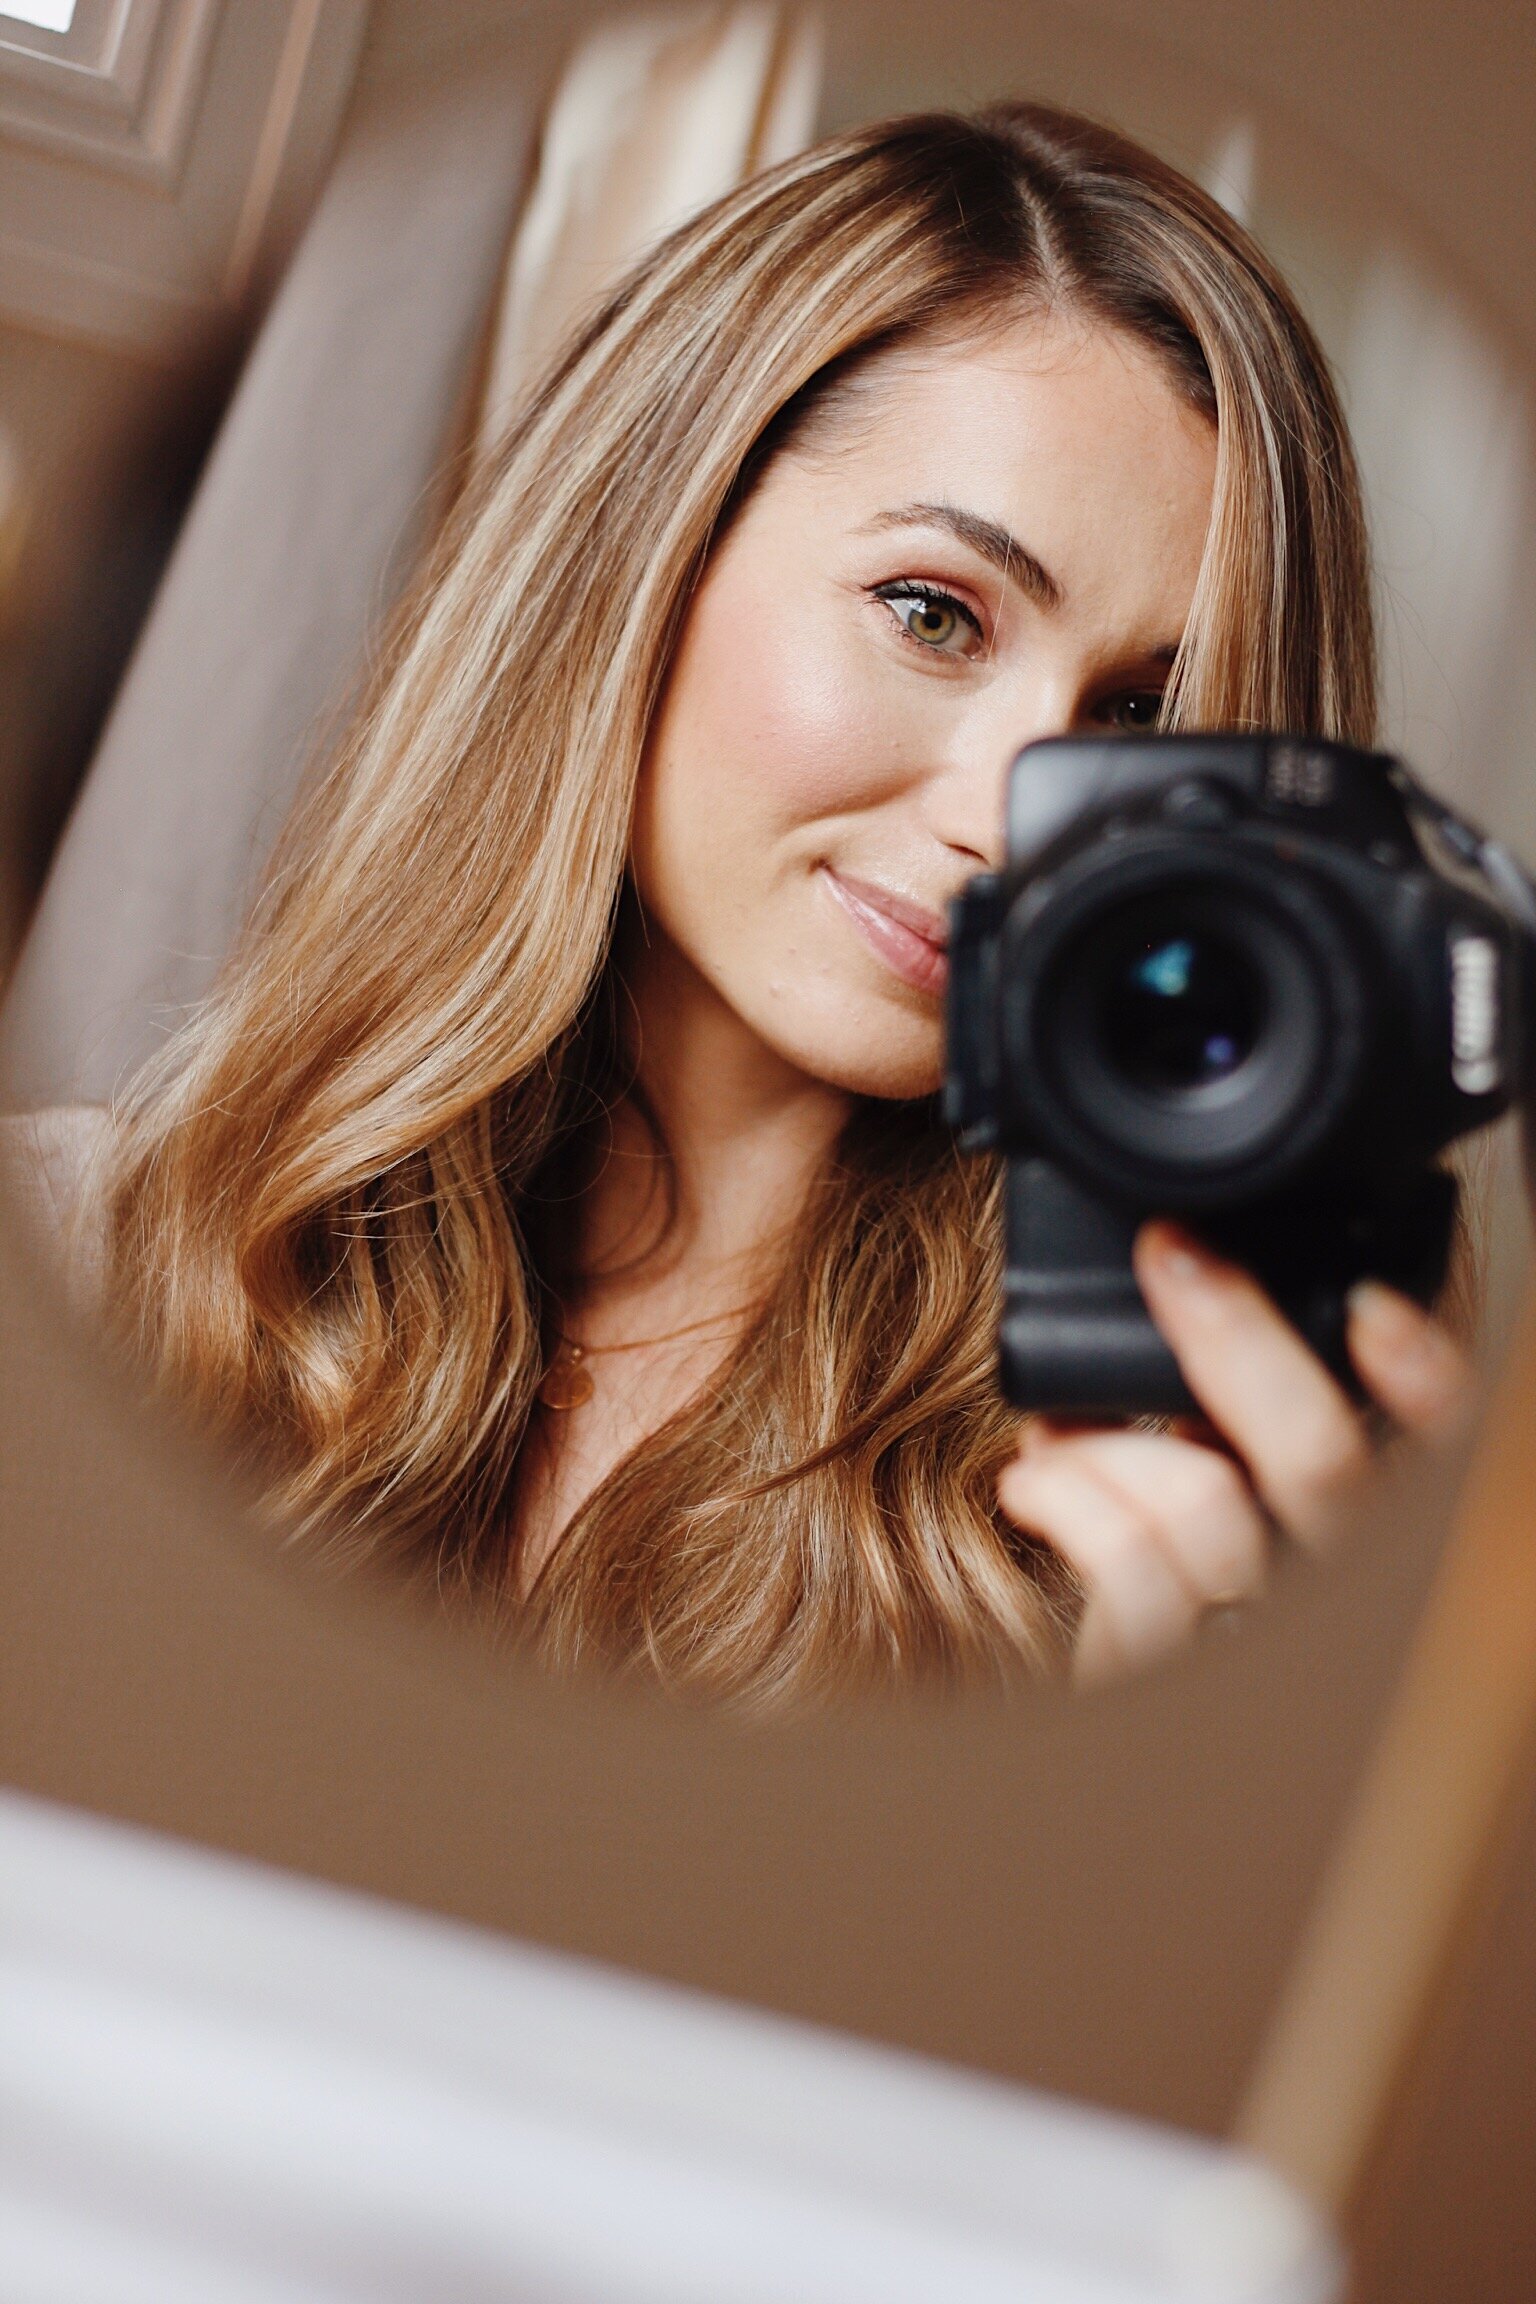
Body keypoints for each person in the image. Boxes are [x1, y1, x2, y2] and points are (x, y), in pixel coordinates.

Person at [81, 102, 1468, 1708]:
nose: (1012, 826)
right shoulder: (98, 1257)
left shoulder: (1179, 1485)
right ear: (644, 551)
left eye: (1144, 723)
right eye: (933, 614)